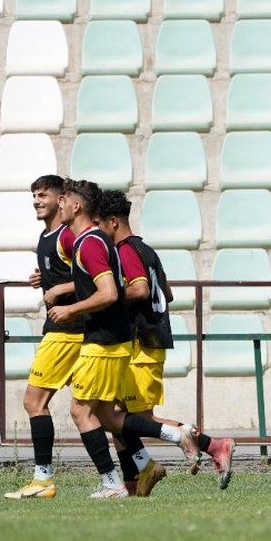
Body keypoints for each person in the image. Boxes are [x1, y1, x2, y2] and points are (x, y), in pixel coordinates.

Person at [45, 179, 201, 498]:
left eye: (64, 200)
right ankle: (172, 437)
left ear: (77, 206)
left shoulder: (90, 242)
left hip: (103, 341)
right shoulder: (100, 241)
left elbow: (109, 293)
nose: (57, 205)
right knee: (109, 416)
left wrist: (71, 309)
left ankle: (112, 483)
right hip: (116, 341)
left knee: (81, 412)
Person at [94, 190, 236, 494]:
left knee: (129, 420)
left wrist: (111, 295)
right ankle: (135, 482)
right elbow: (167, 294)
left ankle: (210, 444)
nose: (98, 234)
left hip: (142, 345)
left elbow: (142, 290)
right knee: (120, 419)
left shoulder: (125, 251)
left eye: (100, 226)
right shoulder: (146, 250)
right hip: (149, 341)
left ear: (113, 222)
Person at [5, 175, 81, 499]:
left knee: (34, 402)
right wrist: (45, 279)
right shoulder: (46, 236)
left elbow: (95, 275)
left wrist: (60, 289)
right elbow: (67, 272)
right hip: (75, 332)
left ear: (60, 198)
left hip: (66, 332)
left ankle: (43, 479)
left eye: (43, 195)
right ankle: (135, 469)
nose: (36, 200)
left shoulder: (67, 235)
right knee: (98, 412)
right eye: (33, 195)